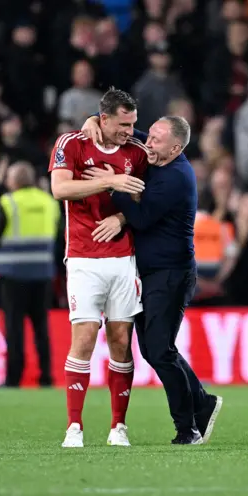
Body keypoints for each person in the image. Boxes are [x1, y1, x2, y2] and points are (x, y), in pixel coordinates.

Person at [81, 115, 223, 445]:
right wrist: (92, 121)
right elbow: (126, 132)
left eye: (157, 140)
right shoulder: (156, 147)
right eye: (151, 135)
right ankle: (201, 402)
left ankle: (187, 428)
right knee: (155, 350)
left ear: (175, 148)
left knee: (159, 350)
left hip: (171, 275)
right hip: (152, 273)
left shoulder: (176, 178)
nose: (148, 143)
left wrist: (112, 184)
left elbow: (142, 219)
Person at [49, 88, 147, 448]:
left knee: (121, 341)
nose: (130, 131)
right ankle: (74, 426)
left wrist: (122, 215)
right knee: (86, 337)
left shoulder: (137, 152)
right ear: (103, 119)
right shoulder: (71, 143)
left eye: (134, 123)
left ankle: (118, 426)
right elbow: (60, 189)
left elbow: (145, 198)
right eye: (123, 124)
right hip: (83, 258)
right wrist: (109, 180)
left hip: (123, 258)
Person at [0, 162, 60, 387]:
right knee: (41, 328)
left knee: (14, 328)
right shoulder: (50, 202)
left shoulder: (8, 203)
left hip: (13, 276)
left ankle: (13, 378)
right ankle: (46, 377)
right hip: (43, 274)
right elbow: (58, 238)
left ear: (15, 181)